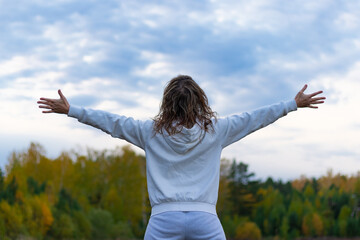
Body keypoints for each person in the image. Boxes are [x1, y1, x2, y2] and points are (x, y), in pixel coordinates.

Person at [37, 75, 325, 240]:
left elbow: (112, 122)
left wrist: (72, 110)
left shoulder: (149, 132)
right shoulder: (217, 131)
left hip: (163, 219)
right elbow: (254, 119)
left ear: (167, 104)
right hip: (205, 219)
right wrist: (291, 104)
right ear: (200, 101)